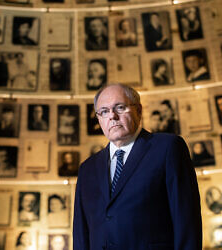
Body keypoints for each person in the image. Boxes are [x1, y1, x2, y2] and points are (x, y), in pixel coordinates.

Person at [73, 84, 202, 249]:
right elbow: (80, 233)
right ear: (99, 119)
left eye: (120, 107)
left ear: (139, 110)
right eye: (104, 111)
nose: (112, 116)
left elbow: (187, 220)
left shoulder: (168, 148)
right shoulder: (87, 168)